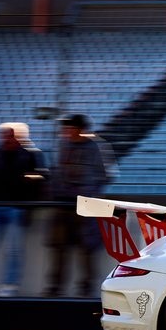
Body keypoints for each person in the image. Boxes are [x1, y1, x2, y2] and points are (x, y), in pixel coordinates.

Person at [45, 114, 108, 298]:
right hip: (63, 206)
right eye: (65, 129)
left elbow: (102, 176)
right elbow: (57, 173)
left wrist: (84, 192)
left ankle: (86, 288)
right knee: (59, 248)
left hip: (84, 207)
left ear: (81, 130)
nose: (66, 132)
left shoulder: (96, 148)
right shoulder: (63, 147)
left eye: (70, 128)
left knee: (86, 249)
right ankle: (55, 287)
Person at [0, 124, 42, 297]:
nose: (7, 139)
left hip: (17, 207)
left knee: (14, 249)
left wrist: (30, 203)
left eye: (10, 136)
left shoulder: (29, 156)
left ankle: (9, 285)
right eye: (4, 136)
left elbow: (38, 181)